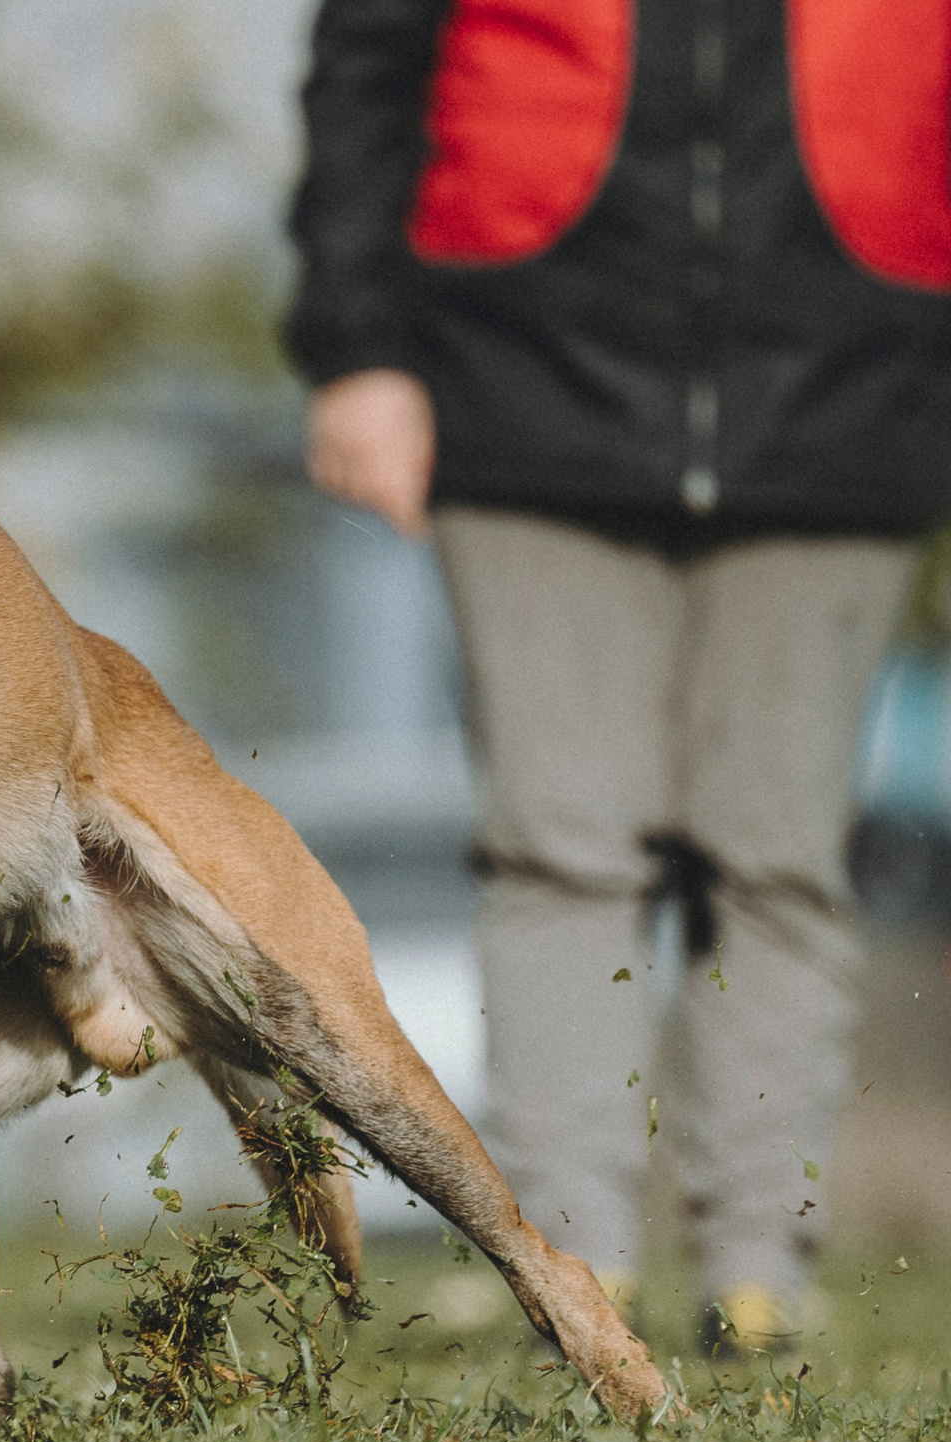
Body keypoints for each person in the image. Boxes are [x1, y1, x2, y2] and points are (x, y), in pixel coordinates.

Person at [285, 0, 951, 1352]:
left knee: (776, 857)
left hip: (849, 401)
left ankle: (761, 1271)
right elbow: (370, 69)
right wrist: (356, 350)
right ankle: (564, 1255)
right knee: (557, 847)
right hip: (521, 391)